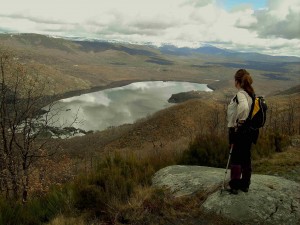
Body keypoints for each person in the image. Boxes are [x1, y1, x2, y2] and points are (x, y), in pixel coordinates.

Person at [227, 69, 258, 194]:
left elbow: (244, 108)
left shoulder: (241, 94)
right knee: (246, 157)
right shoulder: (250, 93)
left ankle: (234, 185)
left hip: (239, 130)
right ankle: (245, 184)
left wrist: (238, 123)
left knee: (236, 157)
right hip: (248, 131)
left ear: (237, 81)